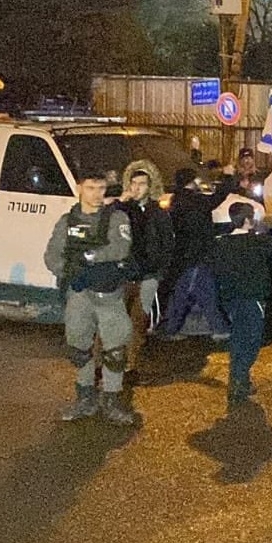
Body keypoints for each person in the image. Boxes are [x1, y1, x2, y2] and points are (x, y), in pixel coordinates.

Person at [46, 171, 138, 426]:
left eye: (101, 188)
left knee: (115, 350)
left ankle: (111, 399)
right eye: (91, 188)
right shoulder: (67, 221)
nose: (97, 194)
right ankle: (85, 397)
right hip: (79, 293)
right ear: (79, 188)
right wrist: (69, 271)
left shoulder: (116, 217)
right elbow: (52, 255)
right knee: (78, 347)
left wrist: (88, 258)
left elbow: (120, 248)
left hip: (108, 293)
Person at [209, 202, 272, 405]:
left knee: (239, 336)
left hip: (231, 299)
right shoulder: (256, 242)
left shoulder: (221, 243)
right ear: (248, 220)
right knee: (252, 340)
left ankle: (240, 380)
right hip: (252, 298)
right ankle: (238, 378)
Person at [161, 166, 238, 340]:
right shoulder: (195, 201)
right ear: (191, 181)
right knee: (190, 293)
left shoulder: (177, 201)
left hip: (186, 254)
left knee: (202, 292)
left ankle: (218, 328)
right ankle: (171, 329)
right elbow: (217, 198)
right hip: (197, 254)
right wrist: (227, 177)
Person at [115, 163, 173, 385]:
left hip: (148, 275)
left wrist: (159, 272)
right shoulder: (122, 209)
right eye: (134, 183)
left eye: (142, 184)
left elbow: (167, 244)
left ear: (150, 187)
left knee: (138, 321)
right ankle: (108, 365)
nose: (137, 188)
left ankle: (130, 365)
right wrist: (122, 200)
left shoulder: (157, 212)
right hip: (124, 273)